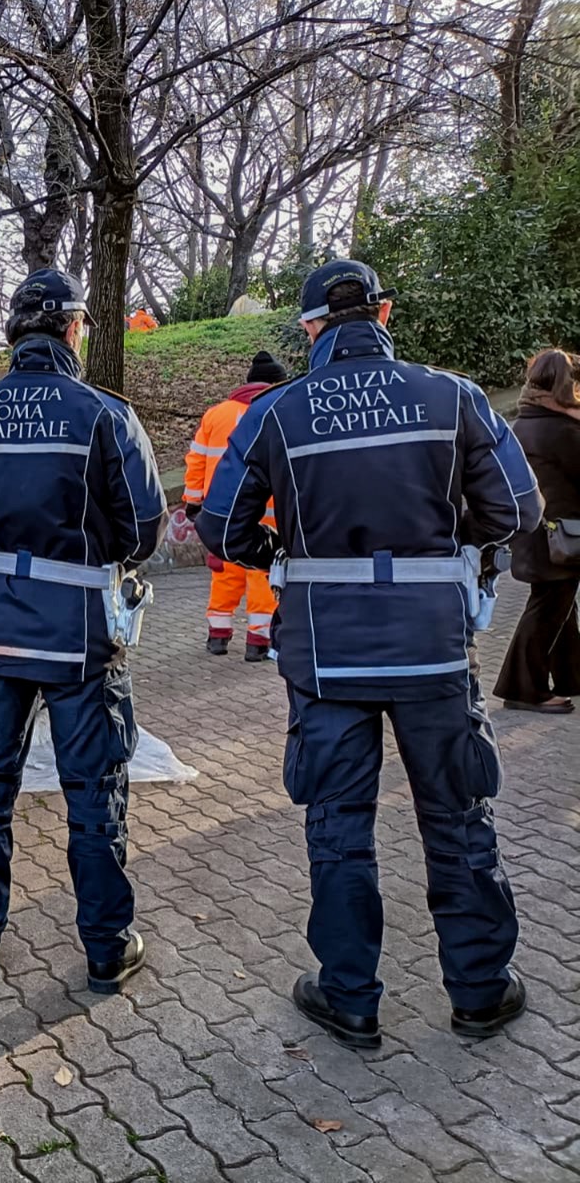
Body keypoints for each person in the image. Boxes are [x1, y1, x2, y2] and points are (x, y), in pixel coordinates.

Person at [195, 259, 542, 1048]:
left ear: (311, 328)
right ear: (383, 312)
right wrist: (444, 545)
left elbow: (220, 529)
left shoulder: (277, 413)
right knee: (458, 816)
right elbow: (517, 511)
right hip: (431, 648)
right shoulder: (452, 394)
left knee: (339, 824)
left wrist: (280, 550)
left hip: (326, 653)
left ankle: (350, 995)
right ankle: (481, 990)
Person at [0, 270, 166, 990]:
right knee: (93, 794)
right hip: (80, 637)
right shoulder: (103, 413)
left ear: (13, 334)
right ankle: (104, 949)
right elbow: (144, 529)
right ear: (71, 329)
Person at [183, 351, 286, 660]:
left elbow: (197, 460)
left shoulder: (216, 414)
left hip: (221, 513)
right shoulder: (278, 410)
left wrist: (192, 501)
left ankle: (218, 635)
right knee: (262, 578)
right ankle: (258, 642)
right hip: (270, 516)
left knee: (225, 574)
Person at [493, 349, 580, 713]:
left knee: (559, 605)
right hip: (563, 536)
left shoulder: (523, 423)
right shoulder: (563, 428)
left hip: (536, 532)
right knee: (549, 608)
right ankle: (522, 688)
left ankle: (572, 675)